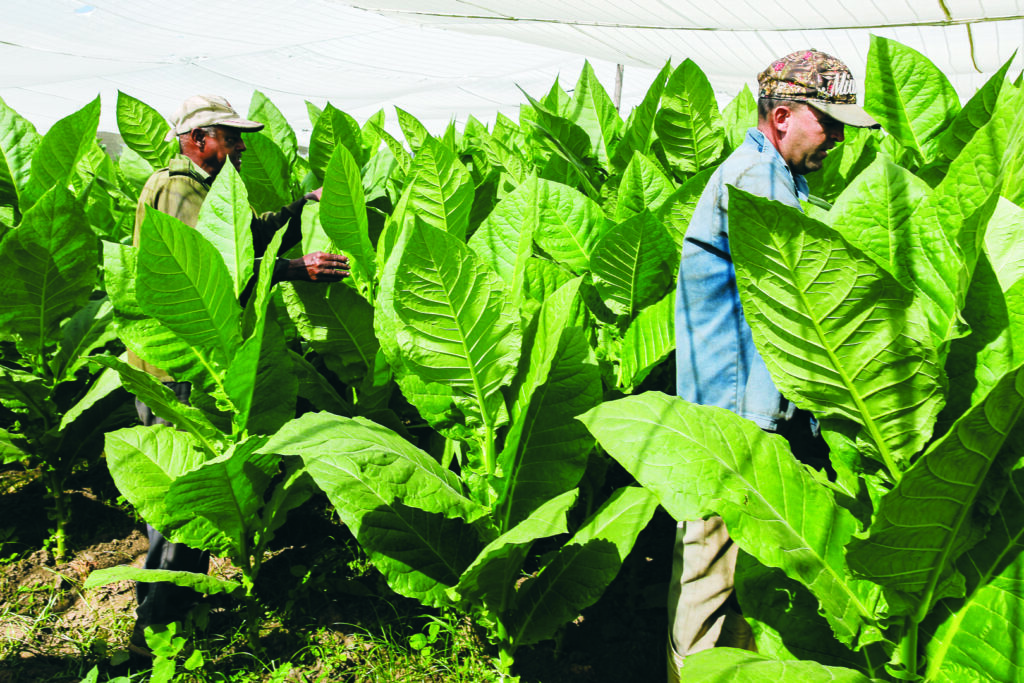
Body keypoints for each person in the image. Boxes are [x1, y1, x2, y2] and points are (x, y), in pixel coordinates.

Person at [669, 50, 880, 681]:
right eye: (828, 122)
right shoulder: (755, 179)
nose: (837, 137)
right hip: (733, 414)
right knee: (712, 566)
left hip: (753, 410)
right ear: (783, 116)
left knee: (740, 573)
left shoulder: (777, 174)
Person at [127, 94, 350, 659]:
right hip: (179, 364)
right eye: (231, 136)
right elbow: (207, 271)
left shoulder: (212, 187)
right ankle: (157, 632)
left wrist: (304, 206)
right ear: (198, 139)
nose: (242, 146)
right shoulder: (179, 188)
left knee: (198, 488)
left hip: (200, 360)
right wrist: (294, 269)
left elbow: (249, 236)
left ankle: (180, 612)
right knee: (182, 495)